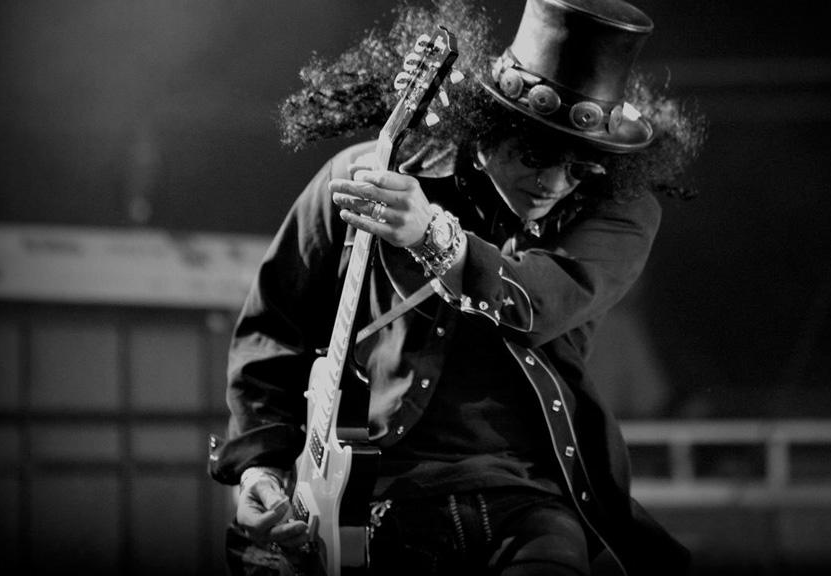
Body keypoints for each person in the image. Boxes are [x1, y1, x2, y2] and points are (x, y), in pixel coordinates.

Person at [208, 0, 705, 574]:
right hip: (375, 502)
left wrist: (433, 237)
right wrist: (260, 468)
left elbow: (542, 299)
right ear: (485, 124)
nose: (554, 182)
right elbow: (274, 332)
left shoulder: (618, 211)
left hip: (530, 500)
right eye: (536, 154)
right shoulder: (364, 177)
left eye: (581, 167)